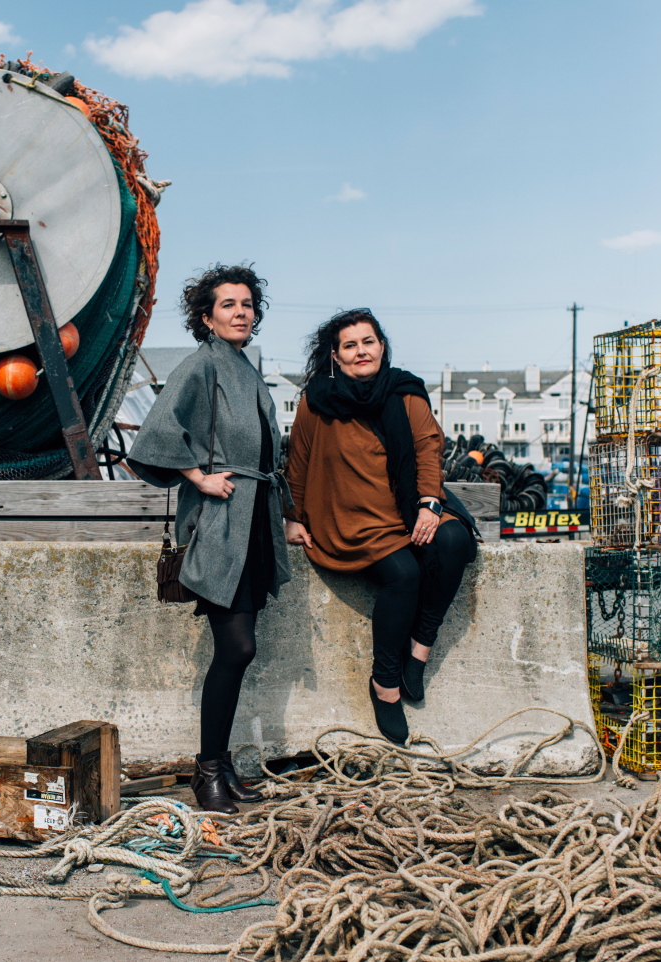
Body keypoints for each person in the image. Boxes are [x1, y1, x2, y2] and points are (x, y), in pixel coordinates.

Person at [128, 264, 291, 814]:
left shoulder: (245, 369)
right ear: (206, 316)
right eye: (229, 304)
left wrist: (287, 514)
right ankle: (207, 772)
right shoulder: (201, 366)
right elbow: (156, 434)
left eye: (248, 304)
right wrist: (198, 476)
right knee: (237, 647)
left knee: (241, 651)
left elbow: (269, 452)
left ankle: (221, 768)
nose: (241, 312)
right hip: (223, 524)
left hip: (255, 523)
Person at [284, 309, 476, 744]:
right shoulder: (317, 399)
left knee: (453, 538)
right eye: (350, 345)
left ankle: (418, 652)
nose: (361, 351)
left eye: (367, 341)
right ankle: (385, 684)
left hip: (405, 507)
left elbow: (428, 447)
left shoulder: (404, 391)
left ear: (382, 346)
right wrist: (292, 517)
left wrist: (429, 503)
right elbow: (298, 460)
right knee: (404, 574)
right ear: (336, 356)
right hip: (349, 517)